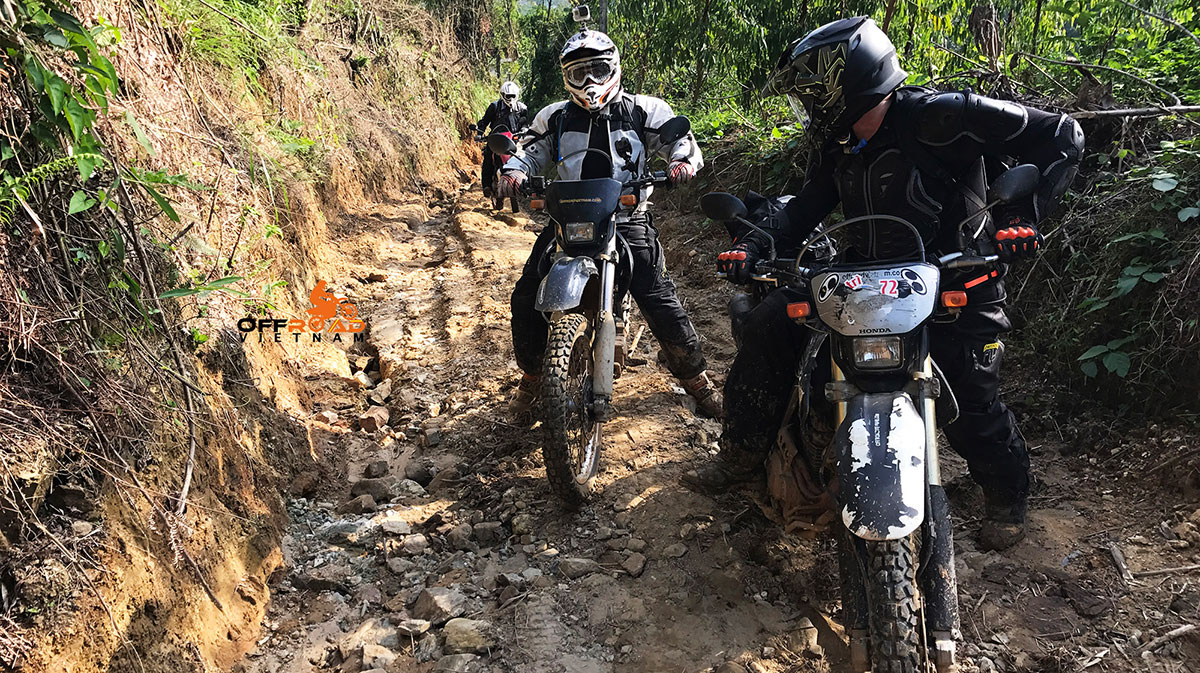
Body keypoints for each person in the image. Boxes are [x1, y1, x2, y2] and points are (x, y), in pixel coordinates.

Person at [684, 16, 1083, 551]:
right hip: (863, 282)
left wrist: (1024, 216)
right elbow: (801, 212)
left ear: (848, 81)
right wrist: (751, 245)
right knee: (767, 325)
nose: (808, 103)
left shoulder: (944, 116)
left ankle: (1006, 495)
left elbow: (1062, 135)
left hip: (954, 275)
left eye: (812, 90)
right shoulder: (839, 144)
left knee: (971, 398)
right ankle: (740, 451)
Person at [498, 29, 722, 418]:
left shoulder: (644, 110)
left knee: (659, 299)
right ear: (566, 76)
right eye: (578, 72)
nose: (589, 81)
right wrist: (514, 172)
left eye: (597, 69)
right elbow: (529, 152)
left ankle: (698, 382)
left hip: (626, 218)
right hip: (568, 220)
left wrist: (680, 161)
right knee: (526, 294)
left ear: (614, 67)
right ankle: (534, 379)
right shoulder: (553, 117)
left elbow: (680, 139)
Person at [476, 81, 529, 197]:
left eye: (512, 96)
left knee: (525, 158)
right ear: (502, 95)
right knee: (488, 159)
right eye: (508, 96)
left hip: (514, 139)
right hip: (496, 139)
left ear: (517, 95)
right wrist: (480, 133)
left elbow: (525, 123)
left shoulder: (522, 108)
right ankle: (487, 186)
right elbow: (484, 121)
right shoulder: (494, 107)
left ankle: (526, 186)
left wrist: (525, 130)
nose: (510, 99)